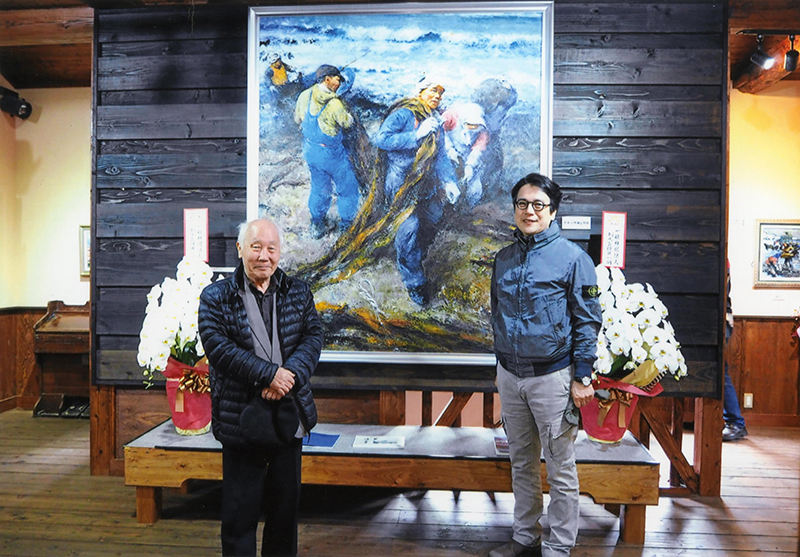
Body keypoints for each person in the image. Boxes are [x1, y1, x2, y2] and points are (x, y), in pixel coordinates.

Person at [490, 173, 602, 557]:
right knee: (521, 463)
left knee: (560, 467)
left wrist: (582, 374)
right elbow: (497, 314)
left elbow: (588, 320)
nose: (530, 211)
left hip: (553, 378)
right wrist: (500, 366)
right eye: (522, 204)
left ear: (552, 211)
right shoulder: (503, 259)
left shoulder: (574, 259)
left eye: (538, 204)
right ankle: (525, 538)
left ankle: (558, 547)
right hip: (510, 377)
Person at [198, 219, 323, 557]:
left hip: (288, 416)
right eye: (256, 247)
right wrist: (268, 375)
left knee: (284, 514)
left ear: (279, 252)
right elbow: (218, 348)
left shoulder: (299, 292)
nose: (264, 256)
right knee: (239, 516)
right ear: (240, 249)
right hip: (241, 419)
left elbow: (313, 337)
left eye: (271, 248)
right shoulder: (215, 297)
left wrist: (288, 376)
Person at [373, 78, 460, 305]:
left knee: (434, 217)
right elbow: (381, 139)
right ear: (420, 91)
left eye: (441, 93)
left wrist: (449, 182)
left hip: (426, 183)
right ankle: (414, 282)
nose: (437, 96)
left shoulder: (435, 119)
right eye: (433, 90)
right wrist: (416, 135)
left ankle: (415, 255)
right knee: (408, 228)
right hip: (401, 183)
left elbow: (440, 156)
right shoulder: (404, 114)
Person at [294, 64, 361, 238]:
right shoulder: (335, 103)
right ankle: (346, 225)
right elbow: (347, 123)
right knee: (347, 187)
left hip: (311, 150)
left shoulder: (304, 95)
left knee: (319, 187)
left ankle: (317, 224)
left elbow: (297, 119)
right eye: (338, 80)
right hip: (331, 154)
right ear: (327, 79)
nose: (339, 84)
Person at [722, 261, 747, 442]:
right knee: (718, 374)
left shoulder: (719, 256)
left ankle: (735, 422)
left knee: (720, 374)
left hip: (721, 318)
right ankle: (731, 420)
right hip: (721, 318)